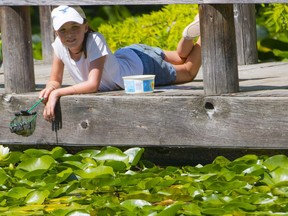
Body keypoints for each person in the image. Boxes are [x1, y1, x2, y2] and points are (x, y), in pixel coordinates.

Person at [39, 5, 201, 122]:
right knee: (181, 57)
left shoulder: (94, 40)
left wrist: (58, 93)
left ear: (86, 26)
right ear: (56, 33)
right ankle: (188, 36)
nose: (70, 34)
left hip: (142, 68)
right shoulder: (59, 45)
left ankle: (204, 31)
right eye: (63, 30)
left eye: (75, 26)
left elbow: (92, 85)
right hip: (131, 55)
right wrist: (51, 88)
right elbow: (55, 79)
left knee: (188, 70)